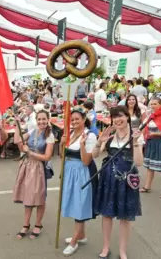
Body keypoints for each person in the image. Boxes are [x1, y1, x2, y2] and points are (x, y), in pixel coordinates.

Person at [92, 106, 144, 259]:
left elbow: (139, 162)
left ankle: (122, 251)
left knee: (125, 217)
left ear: (127, 117)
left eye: (120, 116)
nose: (117, 120)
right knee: (107, 215)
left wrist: (135, 142)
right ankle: (106, 247)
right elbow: (95, 155)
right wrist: (99, 141)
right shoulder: (110, 135)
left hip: (127, 179)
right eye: (114, 117)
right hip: (108, 178)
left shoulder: (135, 135)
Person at [59, 108, 98, 256]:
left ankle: (74, 241)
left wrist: (82, 144)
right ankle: (81, 235)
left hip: (82, 173)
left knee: (80, 205)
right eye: (72, 119)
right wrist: (62, 144)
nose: (74, 122)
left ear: (83, 119)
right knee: (75, 203)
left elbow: (86, 160)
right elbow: (62, 156)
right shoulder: (69, 134)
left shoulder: (90, 135)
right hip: (70, 172)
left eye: (77, 119)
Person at [12, 110, 55, 240]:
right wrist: (17, 125)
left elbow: (47, 156)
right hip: (27, 166)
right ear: (36, 120)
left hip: (39, 168)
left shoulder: (50, 135)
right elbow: (17, 141)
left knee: (40, 196)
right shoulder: (32, 132)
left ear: (48, 119)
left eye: (44, 119)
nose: (41, 121)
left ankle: (38, 224)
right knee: (28, 195)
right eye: (39, 119)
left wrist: (30, 153)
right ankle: (25, 224)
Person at [140, 97, 161, 200]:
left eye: (155, 104)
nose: (152, 106)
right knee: (150, 166)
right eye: (151, 104)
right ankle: (147, 186)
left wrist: (155, 133)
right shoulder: (151, 116)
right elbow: (143, 126)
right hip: (151, 142)